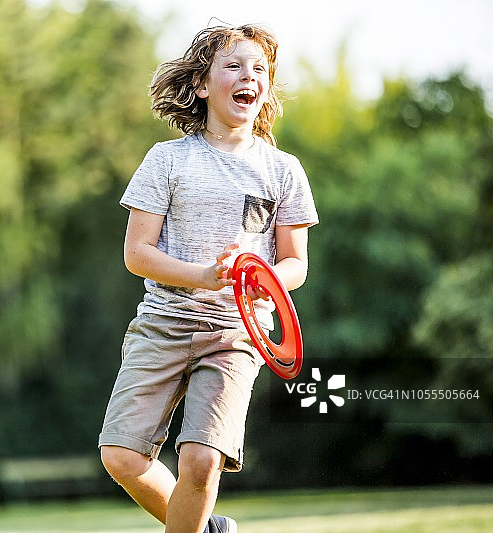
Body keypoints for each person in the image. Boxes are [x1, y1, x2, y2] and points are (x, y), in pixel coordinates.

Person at [98, 24, 319, 533]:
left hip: (235, 334)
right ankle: (209, 529)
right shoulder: (167, 160)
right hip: (163, 324)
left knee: (201, 460)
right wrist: (203, 275)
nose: (250, 77)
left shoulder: (283, 170)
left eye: (259, 69)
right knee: (120, 457)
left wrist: (258, 278)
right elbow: (137, 253)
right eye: (234, 66)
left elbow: (296, 265)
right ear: (201, 84)